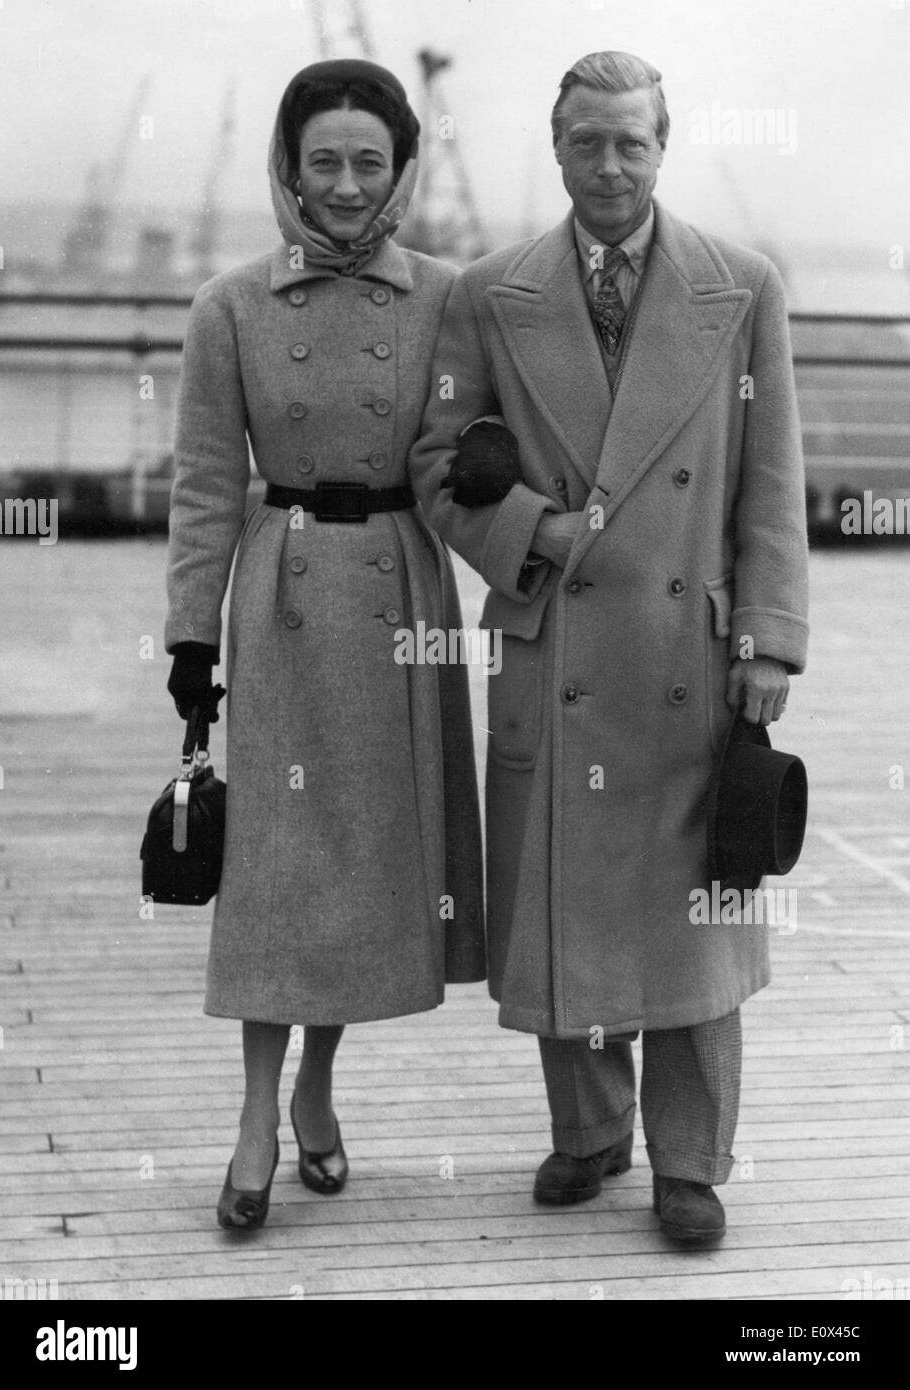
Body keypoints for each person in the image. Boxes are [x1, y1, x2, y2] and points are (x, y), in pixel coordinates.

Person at [410, 50, 809, 1245]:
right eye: (588, 142)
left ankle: (690, 1160)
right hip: (559, 634)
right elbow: (439, 467)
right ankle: (589, 1134)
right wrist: (537, 530)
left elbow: (775, 483)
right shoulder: (488, 292)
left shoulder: (742, 287)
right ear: (557, 146)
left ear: (663, 145)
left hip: (691, 648)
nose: (610, 167)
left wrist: (771, 640)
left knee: (693, 907)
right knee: (566, 892)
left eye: (631, 142)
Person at [164, 59, 484, 1231]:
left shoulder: (450, 299)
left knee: (361, 866)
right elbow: (204, 487)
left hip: (401, 598)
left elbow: (463, 454)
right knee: (277, 869)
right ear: (287, 171)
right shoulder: (230, 307)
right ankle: (255, 1118)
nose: (345, 187)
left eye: (368, 162)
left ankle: (319, 1084)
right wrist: (191, 638)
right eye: (323, 162)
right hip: (282, 602)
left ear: (401, 171)